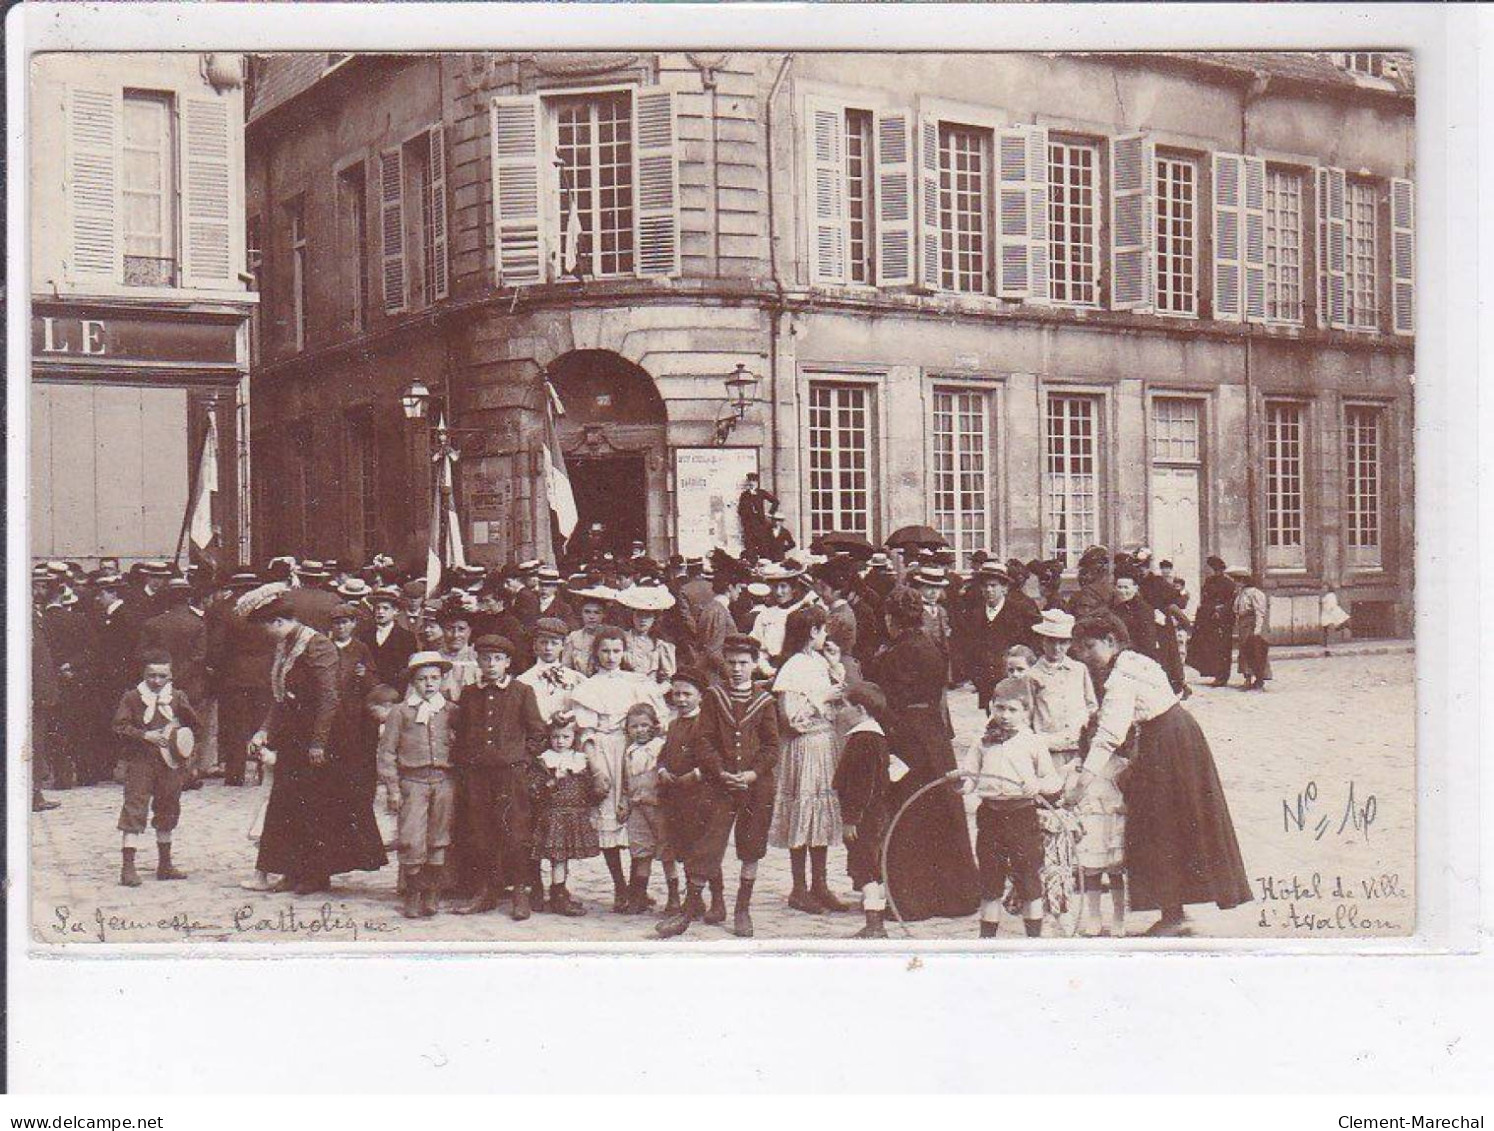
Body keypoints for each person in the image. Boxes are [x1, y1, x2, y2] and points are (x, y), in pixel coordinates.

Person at [1067, 614, 1253, 936]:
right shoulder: (1134, 661)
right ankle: (1173, 911)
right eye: (1080, 649)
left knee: (1160, 826)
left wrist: (1081, 784)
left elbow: (1110, 733)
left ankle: (1173, 914)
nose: (1085, 655)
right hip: (1177, 736)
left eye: (1089, 647)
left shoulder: (1123, 675)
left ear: (1111, 640)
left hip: (1166, 745)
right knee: (1168, 826)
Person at [249, 593, 387, 897]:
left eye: (266, 628)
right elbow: (281, 696)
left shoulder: (317, 645)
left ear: (279, 622)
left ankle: (316, 872)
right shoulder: (285, 646)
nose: (265, 635)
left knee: (317, 805)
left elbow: (329, 697)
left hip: (325, 735)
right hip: (294, 735)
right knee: (287, 803)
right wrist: (264, 730)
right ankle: (291, 868)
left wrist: (319, 742)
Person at [865, 588, 981, 922]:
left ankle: (912, 898)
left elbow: (889, 702)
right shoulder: (931, 648)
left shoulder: (892, 655)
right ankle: (955, 895)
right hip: (934, 736)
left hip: (905, 738)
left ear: (891, 620)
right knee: (941, 812)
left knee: (907, 814)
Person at [570, 627, 669, 912]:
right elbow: (586, 734)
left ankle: (638, 888)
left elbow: (655, 723)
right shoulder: (589, 687)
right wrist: (597, 770)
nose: (611, 657)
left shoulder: (637, 682)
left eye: (616, 651)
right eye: (605, 651)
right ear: (596, 653)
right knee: (609, 819)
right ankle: (620, 886)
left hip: (635, 754)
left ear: (624, 652)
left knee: (640, 818)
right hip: (605, 753)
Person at [451, 634, 548, 919]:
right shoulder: (470, 693)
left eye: (497, 659)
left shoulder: (521, 691)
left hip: (510, 775)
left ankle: (520, 891)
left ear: (507, 662)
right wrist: (467, 764)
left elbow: (538, 733)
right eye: (485, 659)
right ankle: (485, 891)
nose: (491, 664)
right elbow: (463, 733)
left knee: (515, 833)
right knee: (480, 832)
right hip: (477, 776)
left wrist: (520, 759)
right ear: (477, 661)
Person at [960, 676, 1063, 938]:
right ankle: (987, 940)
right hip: (990, 815)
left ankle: (1034, 938)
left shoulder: (1033, 742)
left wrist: (1036, 785)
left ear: (1026, 712)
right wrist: (963, 782)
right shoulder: (982, 741)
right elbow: (970, 775)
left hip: (1021, 815)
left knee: (1029, 877)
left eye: (1012, 710)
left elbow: (1052, 780)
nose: (1005, 715)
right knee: (990, 880)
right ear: (992, 707)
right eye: (1000, 708)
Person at [695, 635, 781, 937]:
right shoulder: (713, 697)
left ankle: (742, 909)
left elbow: (772, 746)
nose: (736, 669)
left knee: (751, 847)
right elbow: (703, 740)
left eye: (743, 663)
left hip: (755, 787)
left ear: (755, 664)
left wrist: (752, 774)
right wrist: (719, 771)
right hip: (719, 784)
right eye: (730, 662)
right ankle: (708, 902)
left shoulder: (765, 701)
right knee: (710, 843)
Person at [767, 605, 847, 914]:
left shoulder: (816, 661)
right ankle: (799, 888)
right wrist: (823, 697)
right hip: (804, 745)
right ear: (812, 631)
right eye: (823, 630)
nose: (826, 635)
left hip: (824, 743)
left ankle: (820, 884)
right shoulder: (795, 666)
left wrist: (835, 673)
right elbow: (790, 719)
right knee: (803, 812)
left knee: (820, 814)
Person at [377, 651, 458, 919]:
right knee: (411, 838)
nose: (429, 684)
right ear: (413, 682)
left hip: (444, 782)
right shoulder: (401, 712)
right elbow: (387, 752)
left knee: (438, 837)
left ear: (442, 680)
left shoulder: (450, 711)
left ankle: (432, 892)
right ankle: (413, 892)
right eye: (423, 679)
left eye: (435, 678)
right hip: (413, 782)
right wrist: (392, 788)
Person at [112, 650, 201, 887]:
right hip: (140, 761)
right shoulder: (132, 697)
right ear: (144, 674)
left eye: (162, 676)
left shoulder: (177, 697)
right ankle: (128, 867)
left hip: (169, 763)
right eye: (151, 675)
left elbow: (194, 725)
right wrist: (144, 735)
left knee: (168, 807)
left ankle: (165, 863)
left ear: (170, 675)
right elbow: (119, 727)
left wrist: (181, 740)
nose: (157, 681)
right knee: (135, 808)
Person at [653, 668, 723, 937]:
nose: (681, 699)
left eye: (687, 694)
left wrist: (695, 775)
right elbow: (664, 754)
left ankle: (717, 900)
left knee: (704, 849)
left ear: (700, 696)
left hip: (700, 796)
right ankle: (695, 901)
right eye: (676, 694)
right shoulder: (673, 724)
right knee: (682, 847)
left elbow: (717, 759)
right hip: (676, 797)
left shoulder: (706, 724)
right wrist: (662, 771)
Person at [832, 681, 897, 940]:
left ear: (859, 709)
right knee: (870, 866)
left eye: (842, 706)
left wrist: (851, 819)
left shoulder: (864, 740)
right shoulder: (876, 737)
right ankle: (875, 921)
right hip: (875, 815)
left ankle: (874, 925)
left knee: (866, 868)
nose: (839, 711)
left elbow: (861, 787)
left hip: (865, 818)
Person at [531, 712, 601, 917]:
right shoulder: (545, 761)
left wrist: (593, 803)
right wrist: (552, 781)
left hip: (574, 814)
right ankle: (557, 896)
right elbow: (534, 789)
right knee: (558, 858)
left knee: (564, 857)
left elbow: (588, 788)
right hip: (554, 815)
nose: (560, 741)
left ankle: (560, 890)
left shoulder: (579, 760)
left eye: (565, 737)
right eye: (556, 737)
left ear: (574, 738)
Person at [617, 702, 678, 915]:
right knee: (641, 852)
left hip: (658, 807)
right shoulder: (629, 751)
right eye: (634, 727)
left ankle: (674, 897)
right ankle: (638, 896)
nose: (640, 730)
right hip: (637, 808)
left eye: (644, 725)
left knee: (666, 852)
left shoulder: (660, 747)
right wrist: (625, 802)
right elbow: (627, 781)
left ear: (654, 725)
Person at [965, 562, 1042, 711]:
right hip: (986, 682)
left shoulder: (1020, 611)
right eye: (985, 586)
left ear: (1005, 588)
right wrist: (976, 677)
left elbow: (1035, 643)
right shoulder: (975, 614)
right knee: (993, 719)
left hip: (1016, 679)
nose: (989, 590)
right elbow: (968, 648)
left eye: (994, 586)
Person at [1026, 610, 1098, 765]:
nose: (1057, 648)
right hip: (1049, 749)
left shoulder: (1079, 669)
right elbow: (1027, 715)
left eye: (1063, 642)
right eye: (1051, 641)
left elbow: (1091, 705)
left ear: (1070, 643)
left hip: (1078, 746)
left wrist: (1086, 732)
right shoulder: (1032, 675)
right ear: (1043, 641)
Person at [517, 617, 585, 723]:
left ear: (563, 645)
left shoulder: (576, 679)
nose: (548, 648)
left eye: (554, 643)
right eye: (543, 642)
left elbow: (582, 711)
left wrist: (567, 716)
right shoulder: (523, 681)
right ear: (535, 645)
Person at [1187, 557, 1237, 687]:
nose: (1207, 570)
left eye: (1209, 568)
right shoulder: (1209, 581)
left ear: (1217, 569)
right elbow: (1205, 597)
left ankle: (1222, 676)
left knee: (1222, 648)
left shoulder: (1228, 583)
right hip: (1207, 619)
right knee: (1210, 648)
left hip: (1222, 620)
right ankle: (1214, 673)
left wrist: (1220, 610)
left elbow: (1232, 602)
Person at [360, 588, 417, 689]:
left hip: (395, 691)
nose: (380, 612)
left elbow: (408, 669)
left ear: (396, 611)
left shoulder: (407, 637)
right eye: (377, 608)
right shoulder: (365, 636)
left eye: (385, 608)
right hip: (368, 689)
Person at [1233, 572, 1272, 691]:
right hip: (1243, 625)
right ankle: (1247, 678)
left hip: (1251, 624)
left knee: (1255, 651)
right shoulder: (1240, 594)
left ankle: (1259, 679)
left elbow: (1259, 612)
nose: (1237, 583)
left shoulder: (1255, 593)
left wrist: (1258, 629)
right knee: (1244, 652)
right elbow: (1237, 609)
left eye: (1238, 580)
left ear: (1244, 581)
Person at [562, 591, 611, 676]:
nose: (591, 617)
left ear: (604, 615)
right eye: (587, 612)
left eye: (597, 612)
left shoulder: (610, 636)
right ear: (581, 613)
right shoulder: (574, 637)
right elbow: (566, 667)